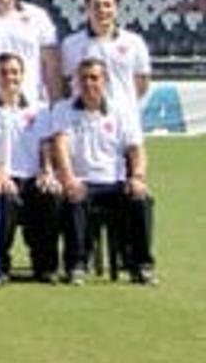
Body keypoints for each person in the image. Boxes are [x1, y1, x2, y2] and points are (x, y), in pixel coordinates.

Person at [46, 58, 155, 285]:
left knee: (141, 198)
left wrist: (137, 177)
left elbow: (136, 149)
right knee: (75, 199)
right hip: (82, 180)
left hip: (114, 182)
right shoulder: (63, 109)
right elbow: (60, 145)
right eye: (83, 78)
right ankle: (77, 265)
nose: (88, 83)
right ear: (76, 81)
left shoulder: (121, 111)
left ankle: (141, 265)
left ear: (104, 80)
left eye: (94, 78)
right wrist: (68, 179)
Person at [0, 52, 61, 283]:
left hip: (33, 177)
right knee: (4, 199)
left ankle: (45, 266)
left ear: (23, 75)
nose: (10, 77)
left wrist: (47, 171)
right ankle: (1, 265)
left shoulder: (39, 109)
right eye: (4, 72)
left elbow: (45, 144)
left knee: (51, 197)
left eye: (15, 72)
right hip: (1, 176)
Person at [59, 0, 151, 113]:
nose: (102, 10)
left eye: (107, 5)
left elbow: (142, 82)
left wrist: (124, 102)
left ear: (116, 9)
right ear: (87, 10)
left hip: (124, 117)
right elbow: (65, 83)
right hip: (86, 118)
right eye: (96, 6)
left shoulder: (134, 42)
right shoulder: (71, 44)